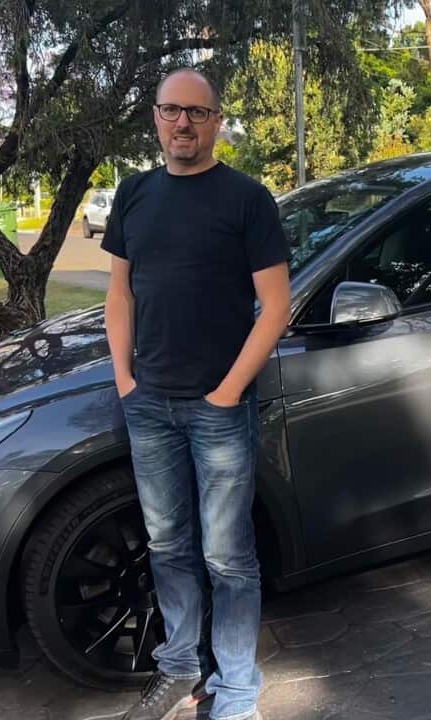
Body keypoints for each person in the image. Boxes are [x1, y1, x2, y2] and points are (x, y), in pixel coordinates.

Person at [102, 67, 290, 720]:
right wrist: (127, 381)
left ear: (217, 122)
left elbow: (275, 307)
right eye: (171, 111)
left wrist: (226, 392)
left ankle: (236, 694)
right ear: (155, 117)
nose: (183, 123)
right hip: (148, 405)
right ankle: (180, 668)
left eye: (198, 113)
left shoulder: (247, 200)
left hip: (219, 412)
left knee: (228, 558)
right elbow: (120, 294)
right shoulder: (132, 196)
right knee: (167, 547)